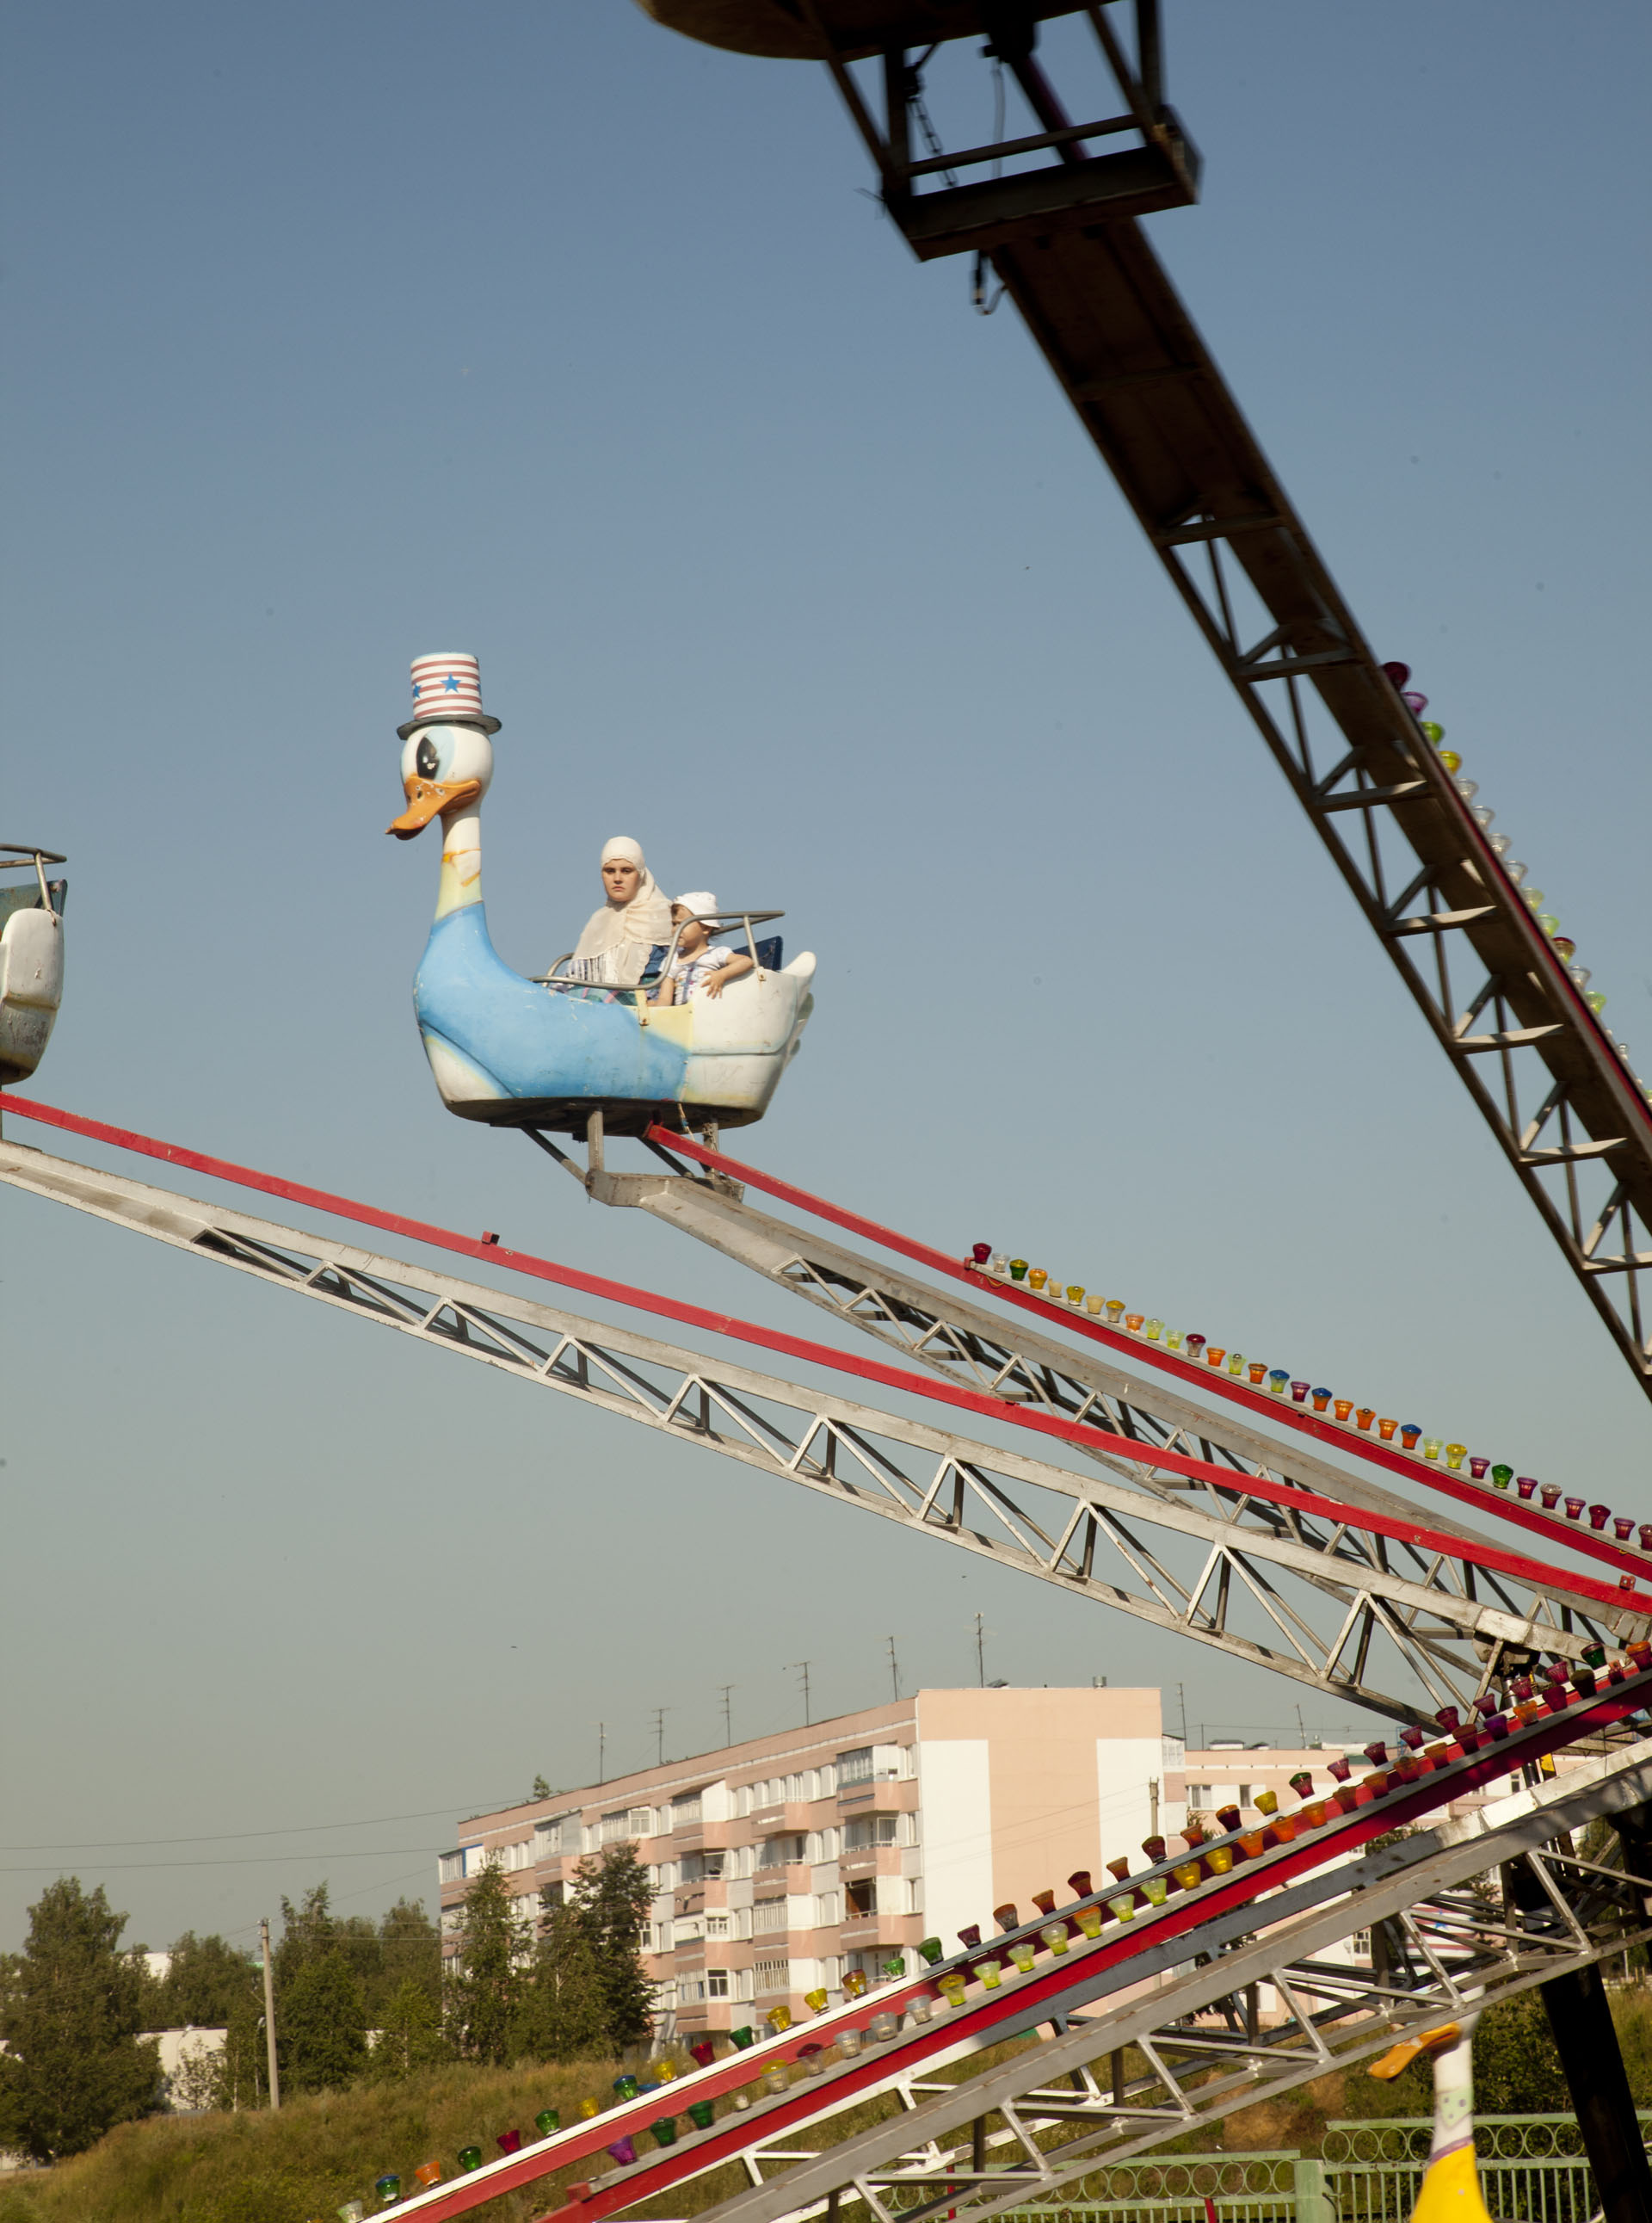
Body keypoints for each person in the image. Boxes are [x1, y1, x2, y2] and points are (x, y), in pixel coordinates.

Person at [565, 836, 672, 986]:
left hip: (646, 999)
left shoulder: (663, 914)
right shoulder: (598, 920)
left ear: (640, 874)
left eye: (626, 871)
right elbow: (576, 976)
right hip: (599, 999)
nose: (617, 878)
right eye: (609, 871)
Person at [655, 892, 754, 1006]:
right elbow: (664, 999)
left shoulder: (716, 953)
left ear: (705, 927)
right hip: (683, 1015)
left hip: (709, 1010)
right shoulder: (672, 960)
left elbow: (746, 962)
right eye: (674, 924)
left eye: (682, 924)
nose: (676, 929)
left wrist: (722, 975)